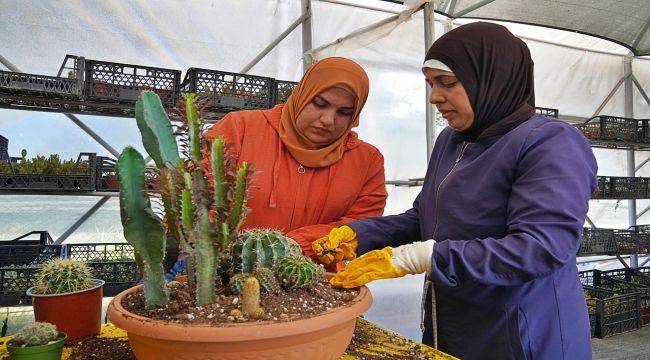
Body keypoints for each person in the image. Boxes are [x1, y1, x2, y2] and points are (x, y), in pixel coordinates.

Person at [311, 22, 597, 359]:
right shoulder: (453, 139)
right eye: (431, 84)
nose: (434, 97)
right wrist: (358, 235)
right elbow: (425, 218)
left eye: (447, 83)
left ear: (490, 78)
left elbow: (541, 247)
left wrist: (422, 257)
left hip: (523, 331)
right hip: (456, 322)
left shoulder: (548, 142)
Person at [204, 57, 387, 268]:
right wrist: (239, 254)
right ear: (301, 95)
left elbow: (361, 224)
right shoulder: (239, 129)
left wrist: (292, 246)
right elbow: (200, 196)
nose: (328, 119)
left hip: (316, 280)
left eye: (344, 113)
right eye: (319, 104)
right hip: (227, 273)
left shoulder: (366, 160)